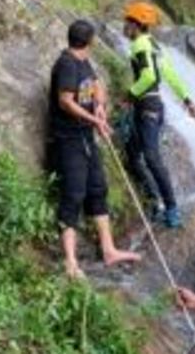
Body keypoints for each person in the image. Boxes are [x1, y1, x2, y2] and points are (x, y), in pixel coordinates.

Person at [49, 19, 141, 279]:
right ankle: (70, 263)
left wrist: (99, 106)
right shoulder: (66, 64)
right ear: (89, 42)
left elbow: (96, 84)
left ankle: (109, 249)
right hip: (68, 140)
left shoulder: (83, 62)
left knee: (98, 189)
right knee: (73, 195)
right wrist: (93, 120)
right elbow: (65, 102)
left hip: (85, 138)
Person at [122, 1, 195, 228]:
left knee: (151, 158)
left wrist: (129, 95)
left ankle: (171, 208)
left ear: (135, 24)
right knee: (133, 155)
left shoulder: (140, 46)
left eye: (127, 22)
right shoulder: (154, 45)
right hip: (151, 108)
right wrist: (187, 101)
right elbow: (170, 76)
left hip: (147, 109)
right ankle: (153, 203)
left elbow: (149, 78)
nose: (124, 26)